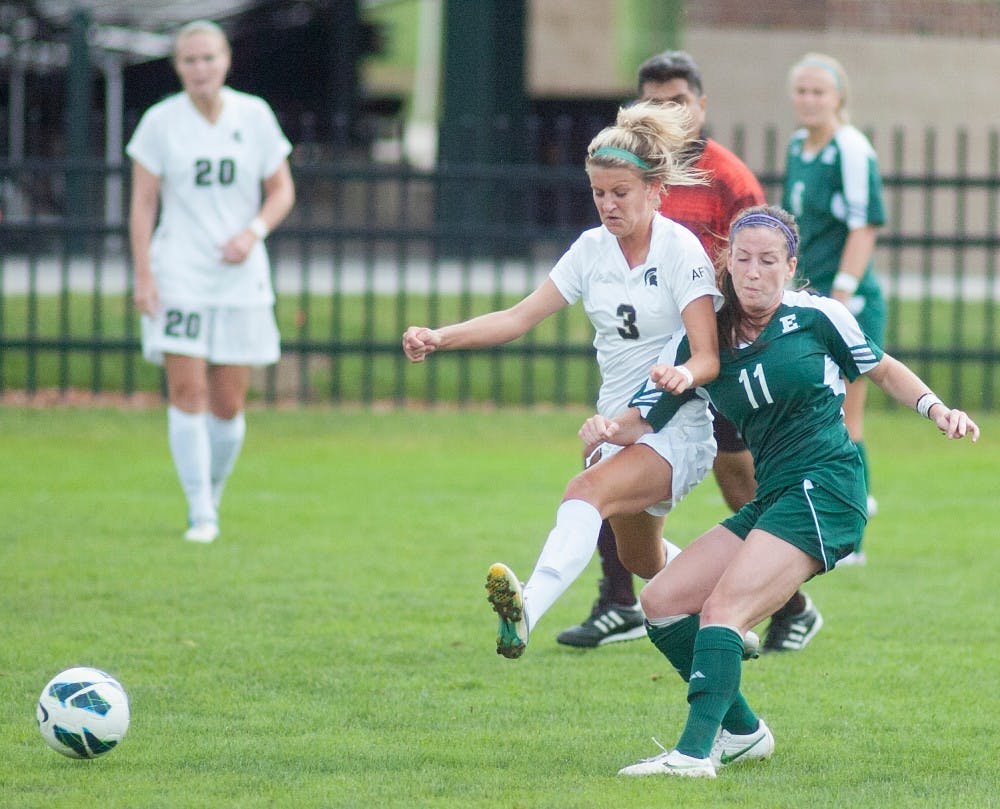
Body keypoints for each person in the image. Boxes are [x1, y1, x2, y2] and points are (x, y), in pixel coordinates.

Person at [584, 206, 978, 778]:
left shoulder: (819, 318)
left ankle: (693, 756)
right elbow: (646, 418)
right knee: (663, 602)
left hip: (827, 486)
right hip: (775, 496)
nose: (753, 271)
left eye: (768, 260)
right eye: (743, 258)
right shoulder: (707, 340)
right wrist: (606, 427)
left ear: (790, 267)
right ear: (728, 263)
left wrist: (937, 408)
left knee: (724, 609)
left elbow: (883, 368)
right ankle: (742, 734)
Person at [403, 101, 724, 659]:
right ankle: (726, 606)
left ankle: (529, 604)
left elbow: (708, 356)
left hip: (677, 426)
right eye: (599, 192)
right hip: (613, 425)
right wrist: (440, 336)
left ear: (655, 191)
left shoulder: (680, 250)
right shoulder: (590, 250)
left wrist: (679, 374)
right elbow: (517, 318)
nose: (607, 204)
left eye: (620, 192)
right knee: (641, 560)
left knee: (584, 493)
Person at [558, 50, 822, 654]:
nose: (668, 112)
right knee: (609, 463)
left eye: (677, 101)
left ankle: (789, 600)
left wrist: (737, 327)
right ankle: (618, 598)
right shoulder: (630, 172)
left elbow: (760, 252)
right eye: (654, 102)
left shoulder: (727, 176)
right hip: (658, 355)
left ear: (700, 106)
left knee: (737, 478)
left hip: (715, 349)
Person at [127, 19, 295, 543]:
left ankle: (211, 495)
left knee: (228, 403)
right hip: (180, 272)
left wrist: (253, 232)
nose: (200, 69)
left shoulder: (255, 115)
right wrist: (144, 273)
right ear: (177, 66)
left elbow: (281, 190)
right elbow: (143, 202)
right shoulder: (160, 122)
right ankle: (201, 512)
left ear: (225, 60)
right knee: (187, 391)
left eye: (208, 58)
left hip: (240, 277)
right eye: (189, 60)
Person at [782, 52, 886, 565]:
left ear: (838, 97)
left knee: (847, 421)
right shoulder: (799, 146)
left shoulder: (850, 148)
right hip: (807, 302)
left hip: (846, 305)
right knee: (812, 419)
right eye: (801, 91)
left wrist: (840, 294)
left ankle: (853, 540)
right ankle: (812, 519)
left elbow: (865, 226)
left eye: (818, 91)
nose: (809, 100)